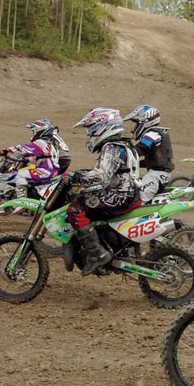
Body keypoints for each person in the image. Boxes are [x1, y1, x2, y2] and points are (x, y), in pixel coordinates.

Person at [67, 108, 141, 276]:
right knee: (85, 199)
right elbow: (108, 174)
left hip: (121, 196)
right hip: (128, 193)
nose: (89, 134)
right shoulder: (123, 144)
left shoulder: (112, 147)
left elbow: (101, 176)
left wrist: (76, 177)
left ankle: (96, 253)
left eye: (91, 129)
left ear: (102, 126)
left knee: (75, 209)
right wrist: (82, 174)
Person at [0, 120, 60, 205]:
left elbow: (24, 147)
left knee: (19, 174)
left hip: (46, 171)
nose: (33, 133)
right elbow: (41, 158)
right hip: (51, 171)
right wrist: (26, 159)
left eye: (33, 131)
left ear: (39, 130)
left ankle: (22, 202)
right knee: (25, 175)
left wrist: (7, 150)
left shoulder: (41, 142)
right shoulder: (50, 144)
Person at [123, 105, 175, 203]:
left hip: (155, 175)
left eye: (137, 123)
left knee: (138, 201)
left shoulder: (153, 134)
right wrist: (132, 163)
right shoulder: (158, 133)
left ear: (145, 121)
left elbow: (141, 148)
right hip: (159, 173)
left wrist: (123, 155)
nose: (135, 127)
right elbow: (152, 160)